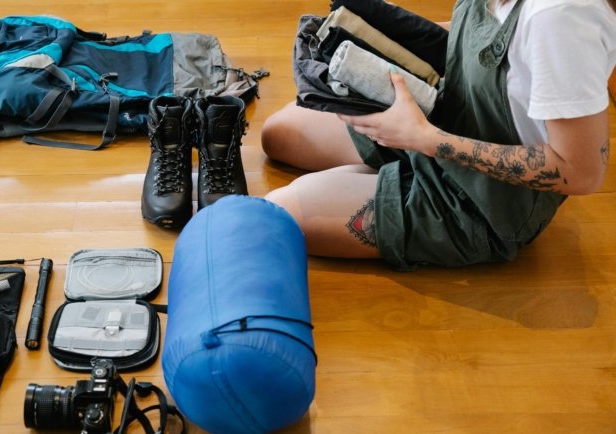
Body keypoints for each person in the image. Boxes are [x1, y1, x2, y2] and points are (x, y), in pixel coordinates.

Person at [262, 0, 616, 270]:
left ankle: (397, 188)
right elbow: (485, 40)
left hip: (487, 199)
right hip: (444, 113)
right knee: (277, 135)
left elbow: (581, 172)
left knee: (278, 216)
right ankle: (383, 177)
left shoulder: (560, 19)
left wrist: (425, 140)